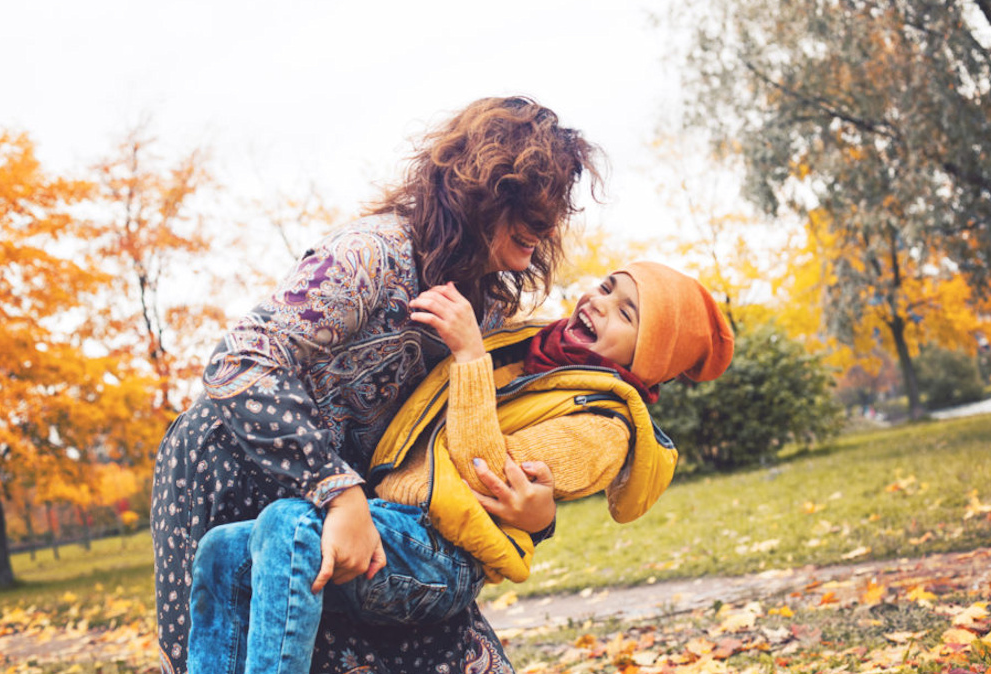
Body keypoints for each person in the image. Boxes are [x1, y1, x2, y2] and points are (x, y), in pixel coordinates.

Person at [150, 95, 604, 674]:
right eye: (534, 208)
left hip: (361, 501)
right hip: (235, 467)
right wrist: (336, 491)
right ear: (487, 190)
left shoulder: (484, 309)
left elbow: (474, 447)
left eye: (555, 210)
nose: (544, 230)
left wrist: (537, 519)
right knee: (233, 650)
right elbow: (239, 362)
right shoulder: (371, 253)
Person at [187, 262, 735, 673]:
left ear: (648, 361)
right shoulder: (531, 349)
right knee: (222, 552)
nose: (600, 301)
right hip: (395, 526)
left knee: (290, 524)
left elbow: (485, 474)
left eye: (626, 312)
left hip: (440, 558)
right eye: (609, 286)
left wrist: (470, 356)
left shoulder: (603, 425)